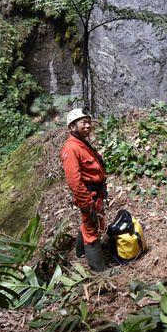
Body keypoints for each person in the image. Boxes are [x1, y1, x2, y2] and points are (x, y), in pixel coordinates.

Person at [61, 108, 108, 272]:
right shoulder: (71, 148)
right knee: (91, 229)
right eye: (83, 123)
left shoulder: (82, 143)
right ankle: (98, 269)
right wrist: (87, 203)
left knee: (89, 223)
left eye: (89, 122)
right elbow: (74, 181)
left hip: (96, 192)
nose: (88, 125)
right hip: (89, 195)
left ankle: (80, 252)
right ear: (72, 127)